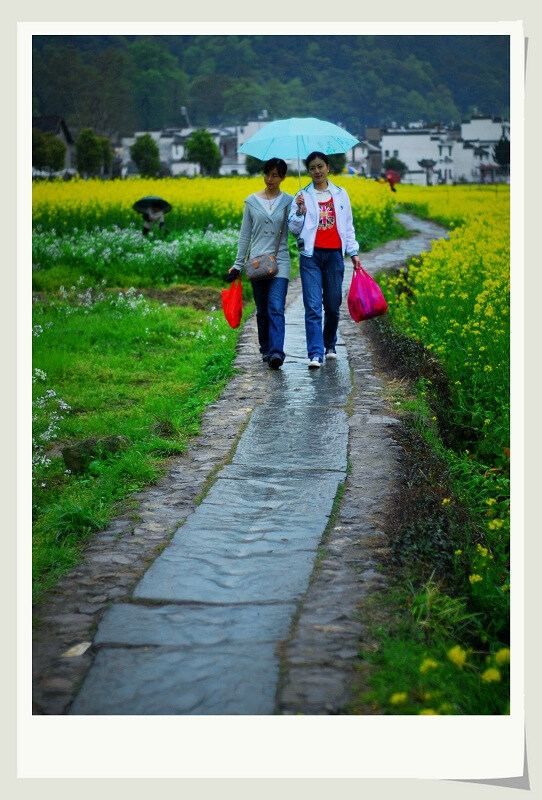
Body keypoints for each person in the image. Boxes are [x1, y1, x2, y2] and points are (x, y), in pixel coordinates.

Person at [288, 151, 361, 369]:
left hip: (334, 256)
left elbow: (348, 227)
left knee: (332, 304)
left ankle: (330, 344)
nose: (317, 171)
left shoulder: (340, 194)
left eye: (320, 166)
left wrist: (353, 252)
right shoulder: (301, 195)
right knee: (311, 306)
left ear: (328, 167)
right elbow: (293, 229)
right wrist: (300, 211)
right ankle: (315, 353)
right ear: (308, 172)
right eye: (312, 168)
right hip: (310, 255)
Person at [228, 158, 294, 370]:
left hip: (280, 261)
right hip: (256, 263)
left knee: (276, 307)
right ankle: (265, 348)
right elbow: (244, 235)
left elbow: (297, 230)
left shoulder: (290, 201)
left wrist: (301, 212)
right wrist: (238, 265)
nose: (269, 179)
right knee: (262, 310)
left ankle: (276, 352)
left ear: (283, 177)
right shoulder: (251, 201)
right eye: (267, 174)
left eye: (275, 175)